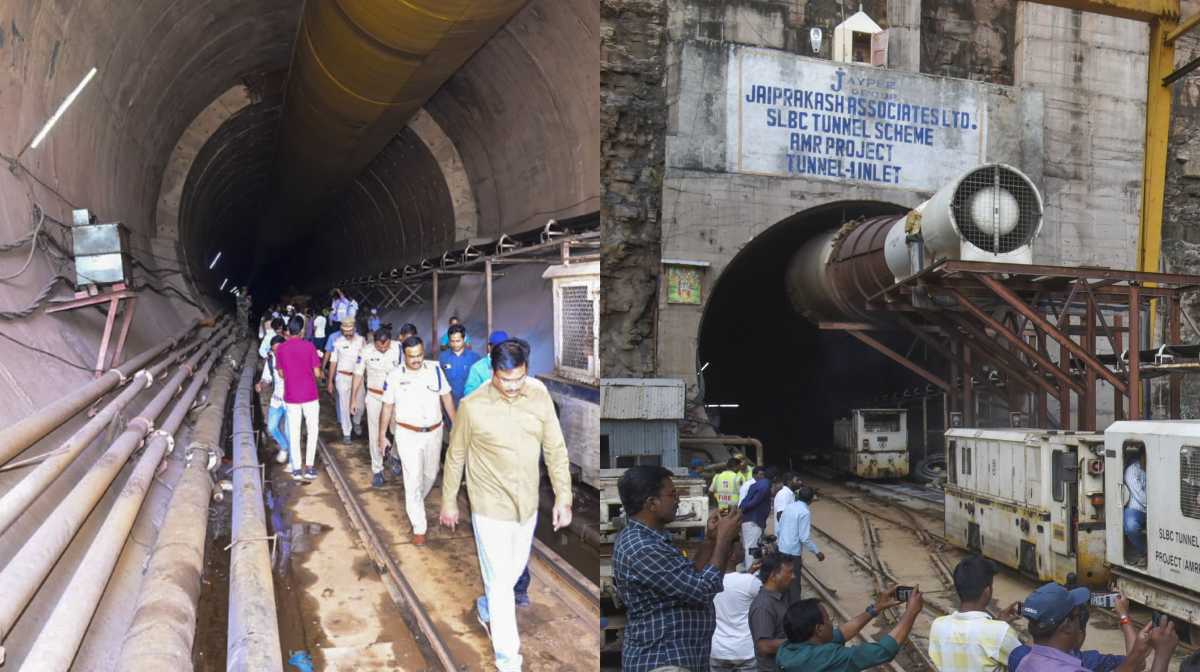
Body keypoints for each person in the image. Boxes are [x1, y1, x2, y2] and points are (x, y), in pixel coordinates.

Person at [439, 339, 572, 672]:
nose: (512, 387)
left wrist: (563, 497)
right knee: (500, 582)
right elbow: (455, 455)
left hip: (526, 504)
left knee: (510, 574)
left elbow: (555, 449)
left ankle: (487, 605)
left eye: (518, 378)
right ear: (492, 370)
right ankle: (508, 660)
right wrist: (449, 501)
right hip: (488, 505)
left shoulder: (539, 395)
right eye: (505, 379)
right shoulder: (473, 405)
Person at [610, 464, 742, 672]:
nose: (678, 499)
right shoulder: (642, 548)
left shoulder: (650, 539)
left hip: (676, 659)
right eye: (672, 494)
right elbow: (702, 590)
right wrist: (724, 540)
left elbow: (688, 578)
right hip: (662, 660)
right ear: (652, 503)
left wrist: (710, 540)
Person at [381, 336, 455, 546]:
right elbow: (387, 406)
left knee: (430, 475)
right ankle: (419, 526)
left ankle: (415, 503)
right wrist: (382, 436)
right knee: (412, 479)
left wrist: (456, 425)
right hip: (407, 434)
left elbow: (447, 397)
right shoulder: (395, 376)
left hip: (434, 432)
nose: (416, 360)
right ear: (404, 355)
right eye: (412, 356)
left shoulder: (435, 370)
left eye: (420, 355)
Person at [1015, 582, 1174, 672]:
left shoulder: (1025, 663)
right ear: (1067, 626)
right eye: (1077, 616)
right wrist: (1162, 654)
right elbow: (1135, 666)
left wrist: (1138, 650)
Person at [776, 586, 922, 671]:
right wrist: (911, 612)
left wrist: (876, 608)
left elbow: (841, 634)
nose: (832, 623)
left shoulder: (788, 649)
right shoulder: (825, 657)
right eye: (828, 620)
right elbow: (882, 652)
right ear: (819, 629)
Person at [927, 555, 1022, 672]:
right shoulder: (1000, 632)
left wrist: (999, 624)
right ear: (987, 591)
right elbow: (1028, 663)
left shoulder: (938, 626)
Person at [1009, 592, 1138, 672]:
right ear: (1067, 626)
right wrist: (1124, 616)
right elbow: (1136, 663)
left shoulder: (1020, 659)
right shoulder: (1087, 663)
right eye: (1076, 616)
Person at [351, 325, 402, 487]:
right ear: (374, 343)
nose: (383, 348)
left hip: (395, 397)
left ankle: (394, 455)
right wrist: (353, 398)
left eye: (386, 345)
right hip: (374, 396)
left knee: (398, 431)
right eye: (379, 346)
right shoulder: (365, 351)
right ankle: (377, 469)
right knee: (374, 434)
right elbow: (358, 374)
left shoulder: (399, 348)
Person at [274, 316, 324, 481]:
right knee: (312, 430)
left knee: (294, 432)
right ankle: (309, 468)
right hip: (310, 395)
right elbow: (317, 373)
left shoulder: (281, 349)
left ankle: (296, 469)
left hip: (291, 396)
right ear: (302, 330)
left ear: (288, 330)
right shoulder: (309, 347)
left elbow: (281, 374)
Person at [710, 555, 763, 672]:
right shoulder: (749, 581)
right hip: (745, 651)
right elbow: (766, 596)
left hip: (717, 650)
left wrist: (749, 573)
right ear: (732, 554)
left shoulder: (708, 582)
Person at [776, 485, 824, 604]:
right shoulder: (805, 512)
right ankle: (795, 608)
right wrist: (817, 552)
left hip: (781, 549)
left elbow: (779, 528)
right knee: (794, 584)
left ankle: (783, 604)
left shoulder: (789, 507)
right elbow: (804, 537)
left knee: (783, 579)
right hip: (793, 553)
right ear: (811, 500)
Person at [748, 553, 795, 671]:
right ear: (773, 575)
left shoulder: (780, 596)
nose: (793, 576)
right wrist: (800, 641)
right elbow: (764, 646)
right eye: (789, 572)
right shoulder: (764, 606)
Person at [328, 317, 367, 443]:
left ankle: (356, 422)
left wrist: (366, 378)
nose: (348, 333)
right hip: (342, 377)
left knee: (360, 404)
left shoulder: (361, 341)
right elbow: (333, 362)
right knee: (344, 405)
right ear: (342, 330)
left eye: (350, 330)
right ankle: (347, 432)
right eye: (345, 331)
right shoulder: (338, 342)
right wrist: (330, 381)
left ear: (354, 329)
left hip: (358, 377)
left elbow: (365, 360)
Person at [255, 335, 290, 465]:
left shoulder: (292, 358)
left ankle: (292, 461)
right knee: (272, 426)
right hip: (276, 399)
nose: (277, 352)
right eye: (274, 350)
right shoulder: (271, 360)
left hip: (291, 401)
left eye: (279, 349)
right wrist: (261, 384)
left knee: (288, 430)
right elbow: (267, 378)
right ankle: (284, 447)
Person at [739, 466, 773, 570]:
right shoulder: (758, 486)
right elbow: (744, 503)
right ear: (754, 474)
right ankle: (750, 573)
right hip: (751, 521)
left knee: (752, 547)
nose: (761, 476)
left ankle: (749, 570)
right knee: (751, 549)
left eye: (763, 474)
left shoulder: (758, 485)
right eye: (760, 474)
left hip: (753, 521)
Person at [441, 324, 482, 407]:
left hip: (469, 404)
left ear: (464, 339)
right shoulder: (442, 357)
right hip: (449, 405)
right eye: (452, 341)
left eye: (458, 341)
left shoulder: (475, 358)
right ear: (448, 341)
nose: (455, 344)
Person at [463, 330, 509, 398]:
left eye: (504, 347)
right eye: (497, 347)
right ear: (489, 347)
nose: (500, 350)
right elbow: (469, 395)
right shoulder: (478, 368)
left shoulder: (514, 365)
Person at [1123, 450, 1147, 564]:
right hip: (1136, 508)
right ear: (1142, 455)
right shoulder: (1132, 470)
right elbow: (1138, 492)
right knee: (1131, 527)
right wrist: (1152, 506)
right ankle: (1145, 551)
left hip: (1156, 508)